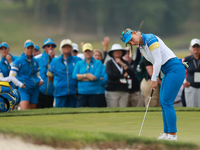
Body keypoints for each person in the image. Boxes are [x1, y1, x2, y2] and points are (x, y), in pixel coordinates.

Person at [120, 28, 186, 141]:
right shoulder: (141, 48)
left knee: (167, 102)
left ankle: (172, 135)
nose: (132, 43)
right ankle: (166, 133)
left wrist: (154, 79)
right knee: (163, 102)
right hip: (167, 70)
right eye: (129, 43)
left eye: (131, 39)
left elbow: (158, 61)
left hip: (174, 69)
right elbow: (154, 62)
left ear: (134, 33)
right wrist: (154, 78)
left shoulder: (150, 39)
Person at [9, 40, 44, 110]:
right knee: (24, 110)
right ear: (24, 49)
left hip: (35, 89)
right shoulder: (18, 61)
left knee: (32, 111)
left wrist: (41, 80)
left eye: (31, 48)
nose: (30, 50)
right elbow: (11, 76)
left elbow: (37, 75)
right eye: (28, 48)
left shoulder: (35, 61)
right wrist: (20, 84)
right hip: (24, 89)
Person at [47, 39, 81, 108]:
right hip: (60, 93)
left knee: (74, 114)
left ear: (71, 48)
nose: (67, 48)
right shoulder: (55, 61)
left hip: (74, 93)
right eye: (64, 47)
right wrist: (57, 84)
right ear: (61, 49)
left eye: (68, 46)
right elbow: (50, 76)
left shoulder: (78, 60)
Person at [72, 43, 103, 107]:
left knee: (94, 114)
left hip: (94, 93)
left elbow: (95, 77)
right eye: (86, 51)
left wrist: (80, 78)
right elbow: (74, 76)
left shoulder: (98, 63)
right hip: (82, 93)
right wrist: (86, 75)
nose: (87, 53)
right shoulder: (79, 63)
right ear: (83, 52)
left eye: (89, 51)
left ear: (92, 52)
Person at [36, 38, 56, 108]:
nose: (50, 47)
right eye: (48, 46)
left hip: (51, 93)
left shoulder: (56, 60)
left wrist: (53, 59)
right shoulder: (38, 59)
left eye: (52, 46)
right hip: (40, 92)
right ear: (44, 47)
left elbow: (57, 73)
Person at [183, 38, 200, 107]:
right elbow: (180, 71)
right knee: (191, 107)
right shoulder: (187, 59)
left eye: (197, 46)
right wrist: (184, 81)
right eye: (194, 46)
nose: (196, 48)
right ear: (191, 48)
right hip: (190, 86)